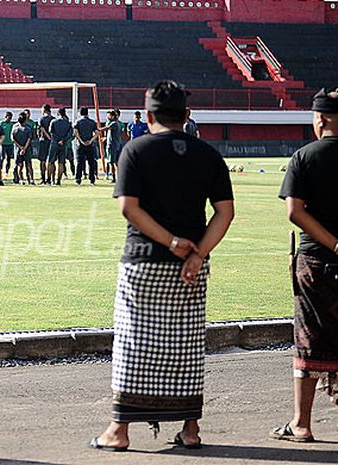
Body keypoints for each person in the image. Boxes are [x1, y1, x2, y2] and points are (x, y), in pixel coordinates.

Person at [91, 80, 234, 452]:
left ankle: (119, 430)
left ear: (149, 114)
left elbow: (128, 207)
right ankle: (190, 429)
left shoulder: (134, 150)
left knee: (133, 343)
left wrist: (170, 241)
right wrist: (197, 252)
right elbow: (224, 213)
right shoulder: (208, 155)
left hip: (144, 260)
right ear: (186, 115)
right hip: (191, 266)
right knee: (186, 345)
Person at [274, 87, 338, 443]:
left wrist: (333, 242)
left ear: (320, 119)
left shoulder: (305, 156)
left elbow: (294, 211)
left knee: (309, 340)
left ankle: (302, 424)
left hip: (315, 261)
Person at [47, 108, 73, 186]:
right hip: (63, 145)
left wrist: (57, 140)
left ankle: (50, 179)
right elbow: (70, 134)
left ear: (58, 113)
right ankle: (58, 180)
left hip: (54, 143)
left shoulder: (53, 121)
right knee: (61, 163)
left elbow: (51, 132)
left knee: (51, 162)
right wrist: (63, 140)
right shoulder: (68, 123)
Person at [73, 106, 99, 185]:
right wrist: (91, 141)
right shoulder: (92, 122)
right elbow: (97, 133)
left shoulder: (77, 122)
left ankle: (78, 179)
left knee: (79, 162)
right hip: (90, 145)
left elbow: (75, 133)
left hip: (80, 145)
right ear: (87, 113)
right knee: (91, 162)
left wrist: (81, 141)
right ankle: (92, 179)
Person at [11, 111, 34, 185]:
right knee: (29, 165)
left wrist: (20, 148)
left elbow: (13, 139)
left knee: (20, 165)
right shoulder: (28, 128)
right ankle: (31, 180)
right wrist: (24, 148)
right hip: (27, 149)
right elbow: (29, 139)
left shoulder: (14, 127)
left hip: (18, 149)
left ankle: (21, 180)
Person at [101, 110, 123, 183]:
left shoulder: (114, 123)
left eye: (109, 115)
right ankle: (118, 177)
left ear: (113, 116)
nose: (108, 117)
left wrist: (97, 129)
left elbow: (106, 128)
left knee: (111, 162)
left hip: (112, 145)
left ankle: (114, 178)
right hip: (114, 145)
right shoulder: (115, 123)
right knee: (114, 162)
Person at [38, 104, 55, 184]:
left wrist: (47, 137)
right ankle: (51, 179)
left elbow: (41, 129)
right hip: (52, 141)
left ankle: (43, 178)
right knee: (51, 161)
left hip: (44, 141)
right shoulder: (54, 119)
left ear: (44, 110)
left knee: (42, 160)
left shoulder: (41, 119)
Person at [0, 112, 16, 182]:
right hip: (3, 144)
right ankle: (0, 171)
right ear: (6, 117)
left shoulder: (12, 125)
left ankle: (6, 172)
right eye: (9, 117)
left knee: (9, 159)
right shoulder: (1, 124)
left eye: (11, 118)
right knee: (2, 158)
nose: (10, 119)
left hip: (10, 144)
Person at [24, 109, 38, 185]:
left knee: (29, 163)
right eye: (26, 114)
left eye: (28, 114)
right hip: (22, 145)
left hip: (29, 145)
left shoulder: (32, 123)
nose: (27, 115)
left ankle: (31, 179)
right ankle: (22, 179)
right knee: (20, 164)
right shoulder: (20, 124)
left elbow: (34, 134)